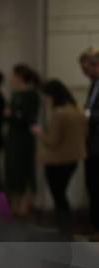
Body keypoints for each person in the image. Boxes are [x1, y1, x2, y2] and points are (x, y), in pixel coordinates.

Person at [31, 80, 86, 234]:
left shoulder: (58, 114)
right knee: (62, 194)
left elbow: (52, 141)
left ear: (52, 96)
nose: (46, 101)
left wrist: (39, 131)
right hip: (74, 158)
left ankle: (64, 228)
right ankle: (66, 227)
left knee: (59, 196)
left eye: (46, 97)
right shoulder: (77, 110)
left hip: (57, 160)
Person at [4, 64, 41, 217]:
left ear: (19, 77)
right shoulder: (15, 94)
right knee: (12, 171)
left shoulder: (31, 95)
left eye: (13, 75)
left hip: (23, 139)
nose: (11, 79)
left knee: (23, 170)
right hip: (13, 138)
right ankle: (14, 205)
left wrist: (11, 115)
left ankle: (25, 205)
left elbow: (27, 118)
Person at [80, 48, 99, 237]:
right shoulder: (94, 84)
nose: (85, 73)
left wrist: (88, 114)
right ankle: (94, 226)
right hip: (91, 144)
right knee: (92, 186)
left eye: (87, 68)